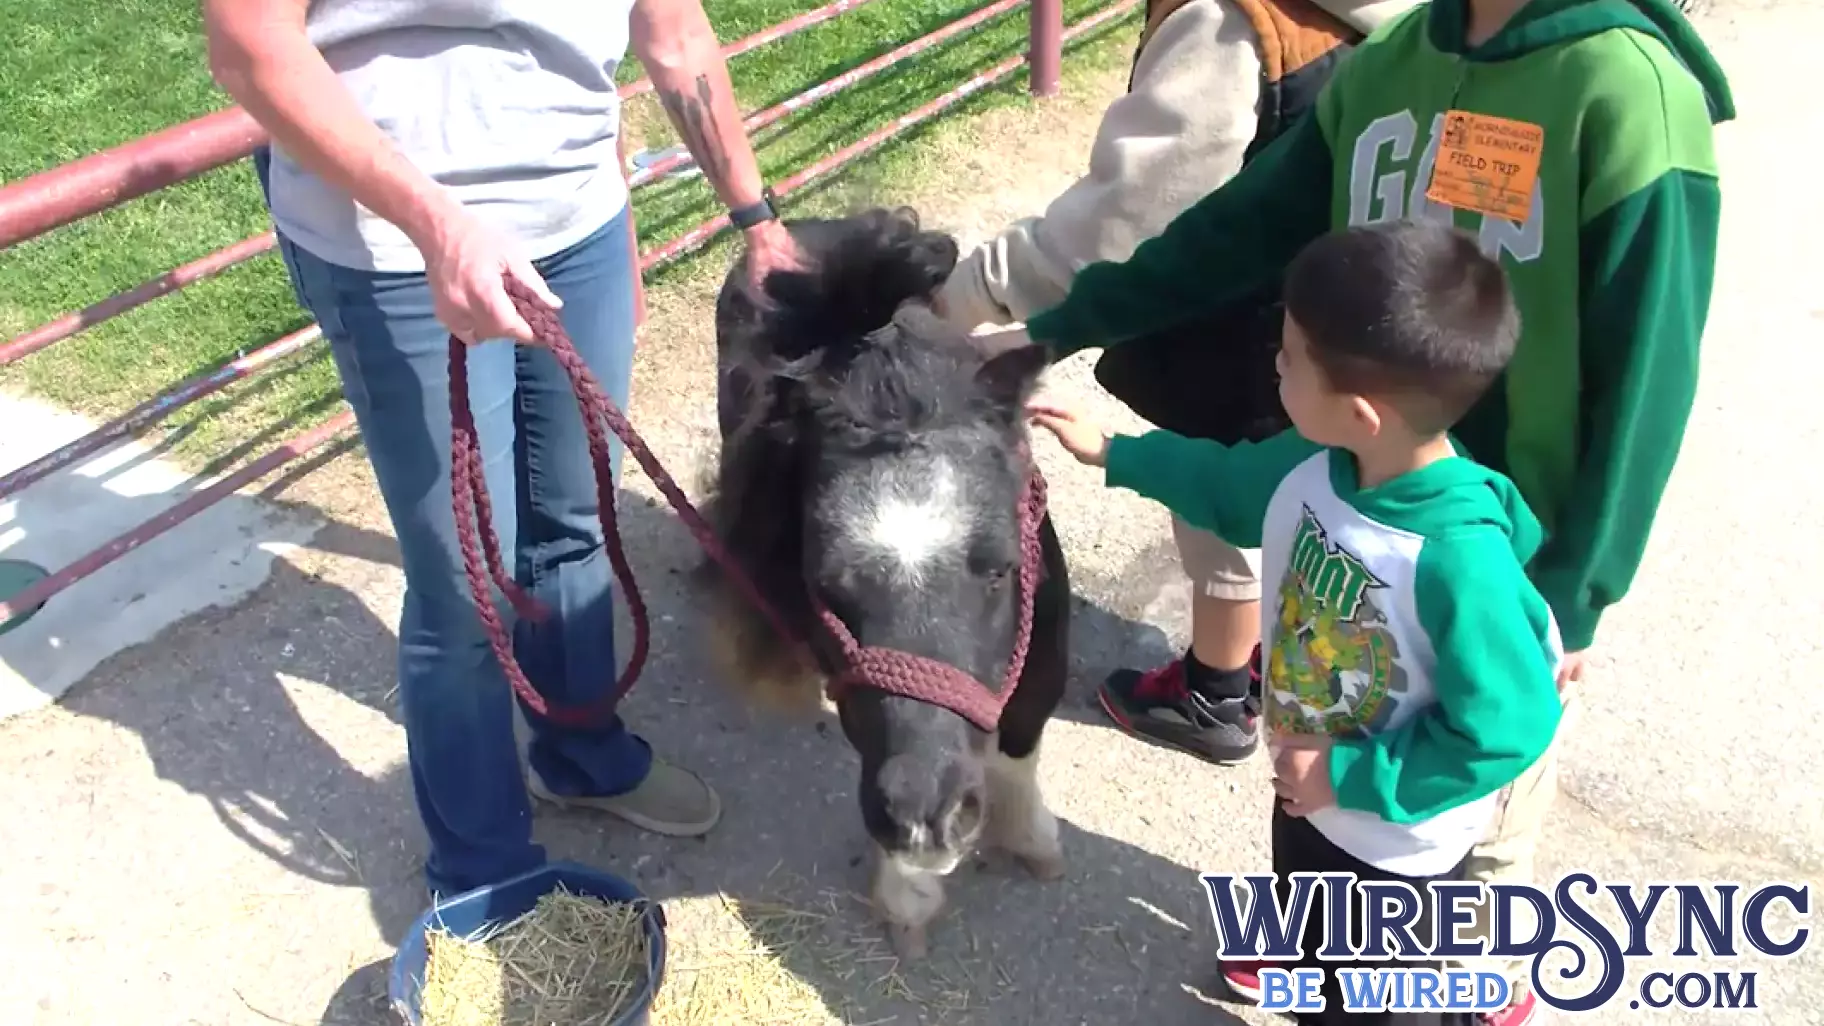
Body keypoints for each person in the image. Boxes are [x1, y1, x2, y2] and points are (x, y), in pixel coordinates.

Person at [1009, 0, 1731, 1020]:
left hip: (1505, 553)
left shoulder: (1627, 96)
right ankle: (1317, 935)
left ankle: (1464, 968)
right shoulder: (1389, 60)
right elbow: (1236, 230)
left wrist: (1573, 597)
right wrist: (1061, 328)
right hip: (1359, 486)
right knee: (1319, 750)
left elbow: (1649, 373)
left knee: (1475, 816)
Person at [202, 0, 805, 899]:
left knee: (576, 518)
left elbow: (673, 32)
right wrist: (437, 225)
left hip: (576, 223)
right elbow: (249, 46)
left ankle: (578, 752)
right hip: (393, 247)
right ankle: (481, 868)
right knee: (464, 582)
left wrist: (757, 220)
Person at [1029, 220, 1565, 1026]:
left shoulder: (1455, 557)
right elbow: (1226, 485)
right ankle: (1303, 954)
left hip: (1394, 848)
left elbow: (1506, 729)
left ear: (1360, 412)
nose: (1273, 364)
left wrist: (1345, 780)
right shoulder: (1317, 461)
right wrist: (1112, 451)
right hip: (1311, 781)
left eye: (1288, 357)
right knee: (1306, 897)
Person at [938, 0, 1422, 767]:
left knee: (1218, 501)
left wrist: (967, 297)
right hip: (1353, 306)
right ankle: (1269, 655)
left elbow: (1130, 217)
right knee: (1303, 485)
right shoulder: (1418, 23)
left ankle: (1216, 690)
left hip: (1245, 326)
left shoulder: (1233, 22)